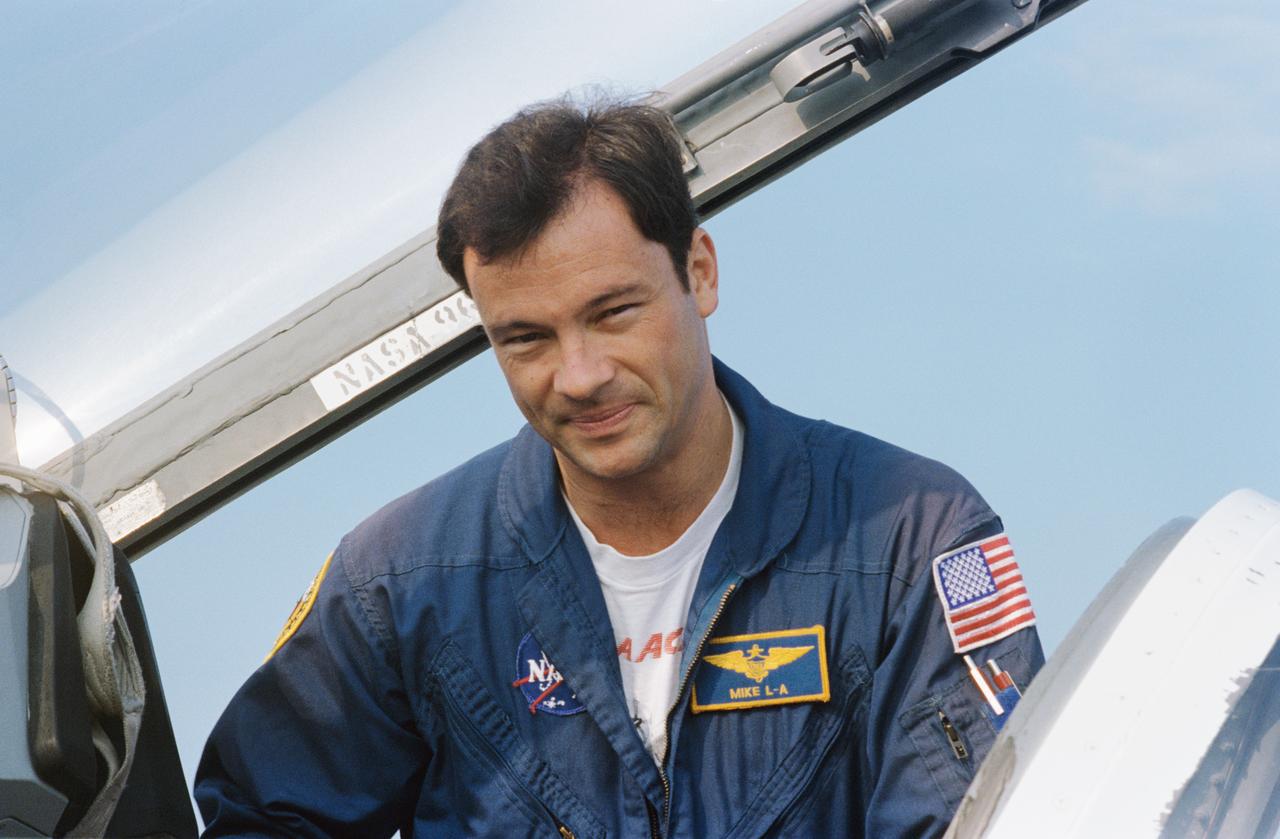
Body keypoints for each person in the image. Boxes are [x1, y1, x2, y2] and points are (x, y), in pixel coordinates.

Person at [194, 98, 1044, 838]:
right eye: (525, 337)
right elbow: (263, 820)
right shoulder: (397, 582)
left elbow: (990, 816)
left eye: (613, 312)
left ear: (699, 272)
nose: (580, 373)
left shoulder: (912, 537)